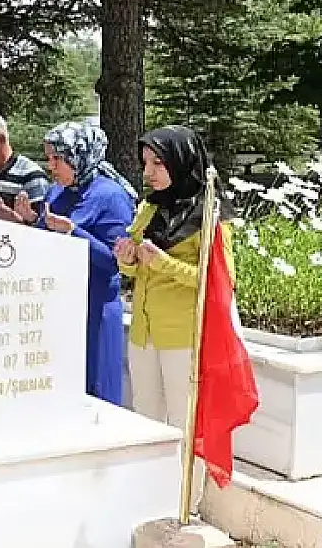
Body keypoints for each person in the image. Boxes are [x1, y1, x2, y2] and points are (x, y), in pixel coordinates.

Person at [112, 124, 232, 515]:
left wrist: (164, 263)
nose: (148, 172)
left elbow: (216, 280)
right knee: (146, 416)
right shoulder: (150, 208)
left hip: (182, 335)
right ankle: (148, 497)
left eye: (158, 164)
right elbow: (135, 270)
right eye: (146, 163)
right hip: (143, 330)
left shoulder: (210, 215)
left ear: (181, 163)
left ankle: (185, 505)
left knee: (184, 422)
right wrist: (127, 260)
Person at [14, 120, 137, 408]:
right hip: (59, 305)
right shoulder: (57, 192)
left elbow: (113, 262)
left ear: (79, 157)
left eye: (58, 159)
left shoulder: (111, 196)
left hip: (95, 309)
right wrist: (31, 221)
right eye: (49, 158)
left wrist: (74, 232)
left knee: (97, 397)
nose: (51, 166)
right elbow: (47, 239)